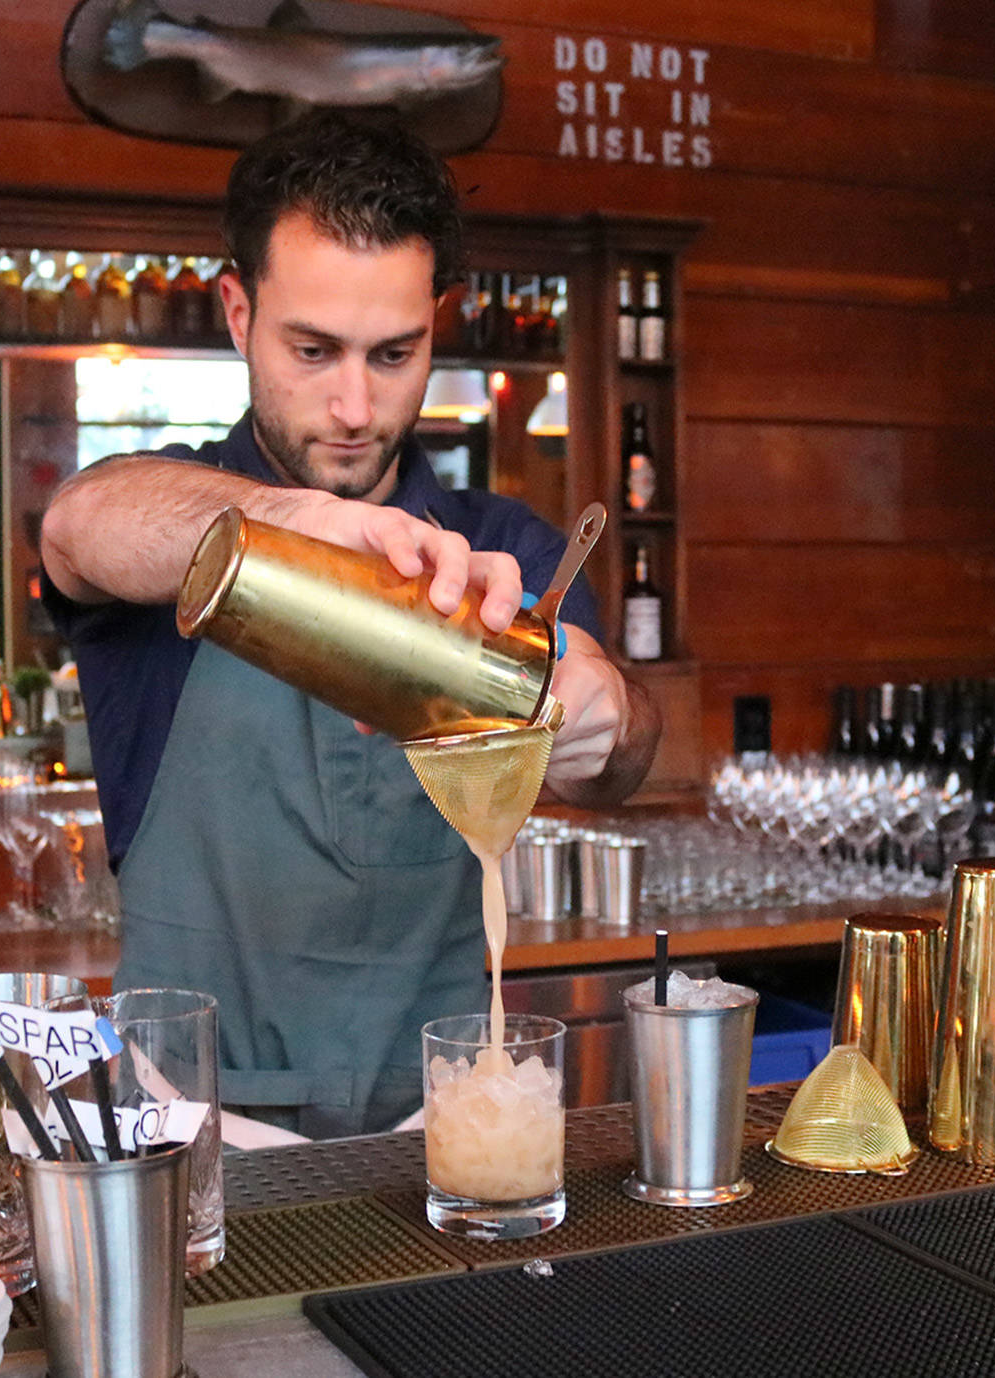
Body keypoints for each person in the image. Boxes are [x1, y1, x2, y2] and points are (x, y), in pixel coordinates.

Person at [39, 112, 661, 1138]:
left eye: (394, 353)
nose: (354, 404)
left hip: (443, 1121)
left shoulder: (495, 543)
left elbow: (620, 749)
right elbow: (77, 523)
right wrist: (303, 524)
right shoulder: (157, 510)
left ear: (439, 321)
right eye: (313, 349)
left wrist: (602, 715)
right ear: (237, 311)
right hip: (193, 1129)